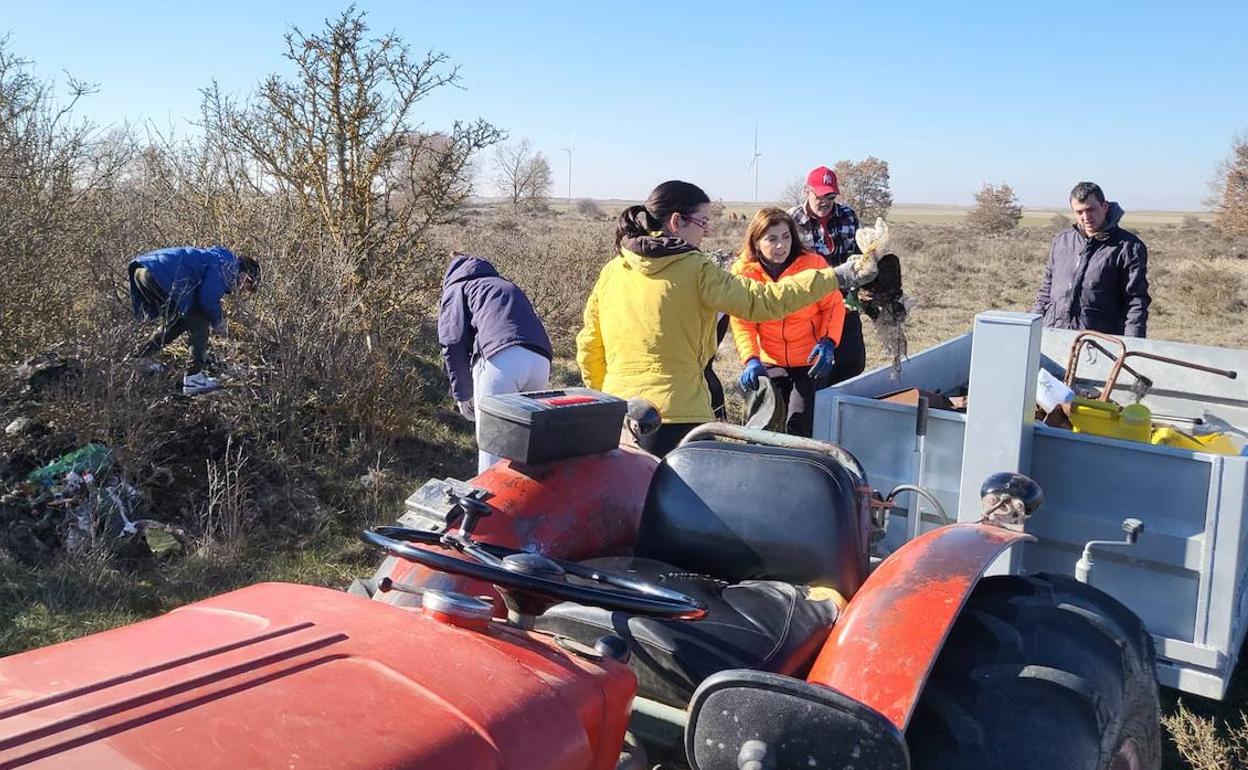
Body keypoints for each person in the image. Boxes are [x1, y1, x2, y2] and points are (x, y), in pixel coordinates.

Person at [576, 180, 875, 457]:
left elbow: (589, 348)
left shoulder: (612, 271)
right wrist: (837, 276)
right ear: (676, 221)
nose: (706, 232)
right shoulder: (697, 270)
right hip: (682, 418)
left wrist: (611, 400)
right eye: (702, 222)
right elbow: (764, 301)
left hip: (621, 419)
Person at [730, 208, 847, 437]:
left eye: (786, 237)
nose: (780, 246)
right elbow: (743, 321)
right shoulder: (743, 271)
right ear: (755, 241)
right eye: (771, 239)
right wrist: (751, 359)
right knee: (766, 425)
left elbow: (833, 305)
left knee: (798, 424)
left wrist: (829, 341)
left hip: (809, 360)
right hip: (769, 360)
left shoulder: (813, 265)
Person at [438, 253, 554, 473]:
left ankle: (491, 505)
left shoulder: (458, 288)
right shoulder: (505, 285)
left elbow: (452, 340)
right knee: (526, 448)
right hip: (540, 362)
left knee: (491, 446)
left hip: (501, 361)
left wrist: (462, 394)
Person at [128, 246, 260, 395]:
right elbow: (207, 300)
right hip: (160, 273)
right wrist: (218, 322)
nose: (243, 289)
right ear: (246, 274)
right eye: (248, 284)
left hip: (142, 270)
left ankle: (139, 358)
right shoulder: (227, 266)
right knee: (199, 321)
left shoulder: (218, 259)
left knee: (181, 320)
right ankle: (194, 378)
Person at [1033, 182, 1150, 337]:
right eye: (1079, 212)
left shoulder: (1128, 247)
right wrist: (1031, 330)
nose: (1086, 217)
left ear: (1104, 206)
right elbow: (1045, 292)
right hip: (1054, 335)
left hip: (1099, 341)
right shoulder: (1061, 242)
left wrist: (1132, 345)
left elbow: (1135, 302)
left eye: (1091, 209)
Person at [789, 165, 867, 383]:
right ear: (807, 191)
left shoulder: (848, 216)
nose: (825, 201)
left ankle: (838, 406)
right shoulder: (791, 220)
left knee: (852, 363)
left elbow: (859, 257)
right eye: (820, 195)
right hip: (809, 308)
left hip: (845, 305)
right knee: (813, 369)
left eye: (831, 196)